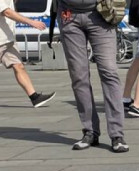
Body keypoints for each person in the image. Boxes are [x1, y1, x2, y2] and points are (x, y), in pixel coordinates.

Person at [55, 0, 128, 152]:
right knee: (78, 75)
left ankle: (117, 134)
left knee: (109, 71)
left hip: (101, 13)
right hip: (69, 15)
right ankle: (90, 130)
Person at [0, 0, 56, 108]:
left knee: (18, 66)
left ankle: (34, 97)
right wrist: (31, 22)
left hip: (8, 38)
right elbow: (6, 12)